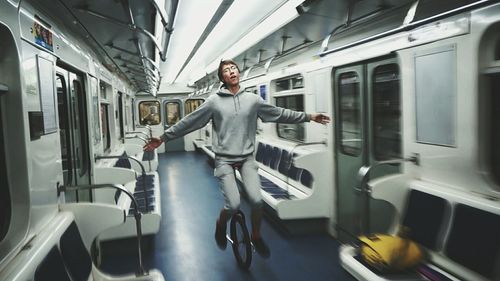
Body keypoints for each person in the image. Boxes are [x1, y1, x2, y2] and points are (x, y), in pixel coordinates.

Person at [144, 59, 330, 258]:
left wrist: (309, 116)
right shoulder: (214, 101)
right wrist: (163, 137)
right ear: (222, 77)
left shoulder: (253, 100)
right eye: (226, 70)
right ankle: (220, 224)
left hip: (247, 158)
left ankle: (256, 235)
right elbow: (190, 122)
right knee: (233, 205)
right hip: (224, 159)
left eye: (234, 68)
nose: (231, 71)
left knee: (257, 202)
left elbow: (279, 114)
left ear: (238, 72)